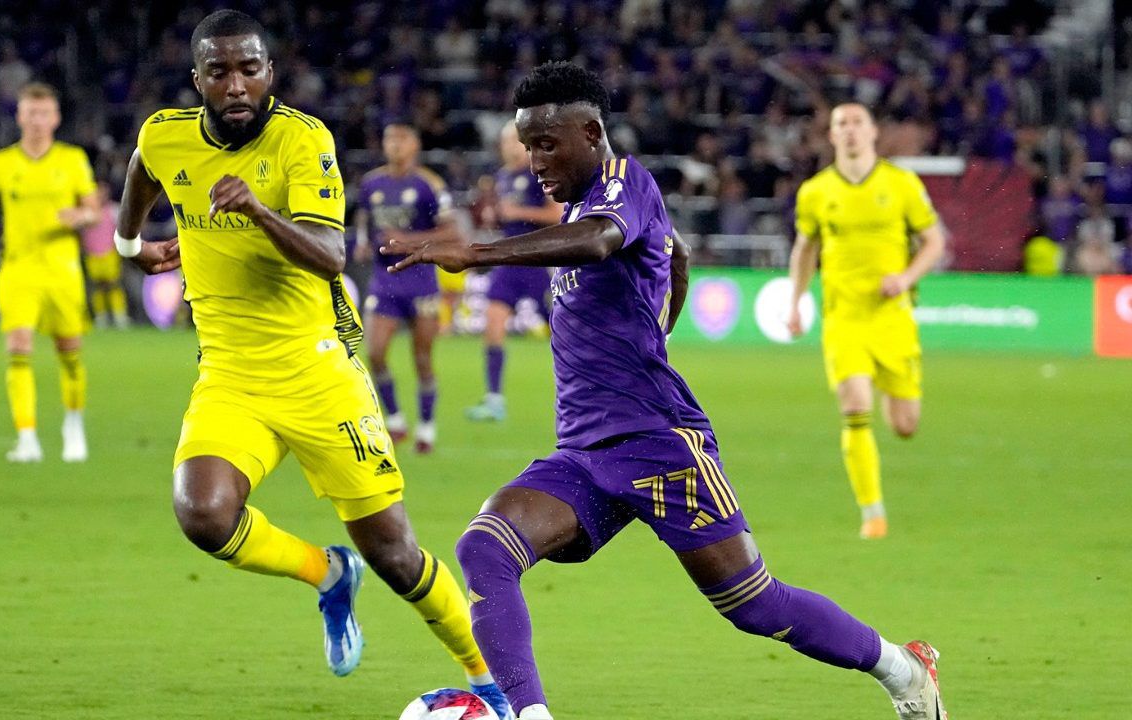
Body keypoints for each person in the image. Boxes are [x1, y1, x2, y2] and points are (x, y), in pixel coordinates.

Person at [385, 61, 947, 720]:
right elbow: (674, 255)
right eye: (526, 144)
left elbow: (602, 242)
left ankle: (906, 672)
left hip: (657, 445)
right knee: (484, 546)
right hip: (584, 453)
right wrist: (656, 328)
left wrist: (477, 255)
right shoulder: (578, 203)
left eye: (546, 144)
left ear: (591, 133)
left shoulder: (625, 184)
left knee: (754, 605)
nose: (533, 159)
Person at [111, 11, 510, 717]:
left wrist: (259, 210)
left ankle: (489, 682)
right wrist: (127, 241)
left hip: (318, 371)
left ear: (271, 72)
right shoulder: (164, 133)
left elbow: (332, 255)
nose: (236, 85)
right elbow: (145, 166)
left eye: (250, 69)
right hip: (230, 375)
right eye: (219, 71)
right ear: (196, 77)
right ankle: (327, 574)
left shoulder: (302, 139)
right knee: (201, 514)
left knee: (397, 555)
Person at [788, 102, 946, 539]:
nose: (851, 131)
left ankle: (878, 381)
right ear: (832, 136)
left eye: (858, 122)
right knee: (855, 407)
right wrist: (795, 302)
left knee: (905, 425)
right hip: (844, 319)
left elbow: (933, 242)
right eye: (842, 124)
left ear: (874, 132)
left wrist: (907, 276)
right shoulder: (816, 192)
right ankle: (872, 514)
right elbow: (805, 250)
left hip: (892, 319)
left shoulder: (901, 185)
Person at [0, 82, 101, 463]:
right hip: (17, 268)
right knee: (18, 348)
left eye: (44, 113)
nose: (37, 121)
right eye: (31, 113)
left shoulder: (73, 159)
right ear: (19, 116)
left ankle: (73, 422)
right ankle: (27, 437)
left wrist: (80, 216)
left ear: (56, 118)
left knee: (69, 351)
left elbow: (94, 209)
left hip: (62, 270)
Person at [355, 123, 462, 453]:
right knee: (374, 353)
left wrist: (408, 242)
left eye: (401, 138)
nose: (394, 145)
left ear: (415, 144)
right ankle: (397, 420)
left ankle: (426, 428)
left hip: (421, 282)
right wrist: (361, 241)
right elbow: (363, 217)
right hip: (384, 279)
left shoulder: (429, 184)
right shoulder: (371, 182)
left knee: (422, 358)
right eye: (389, 138)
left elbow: (452, 232)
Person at [466, 120, 563, 422]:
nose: (510, 147)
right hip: (508, 262)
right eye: (506, 141)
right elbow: (505, 219)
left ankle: (597, 390)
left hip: (536, 261)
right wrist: (493, 216)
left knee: (563, 331)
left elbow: (557, 215)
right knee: (493, 326)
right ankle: (494, 400)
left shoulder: (540, 173)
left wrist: (516, 212)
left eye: (515, 141)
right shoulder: (501, 177)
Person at [81, 181, 129, 328]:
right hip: (92, 255)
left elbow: (122, 229)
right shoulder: (85, 212)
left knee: (114, 285)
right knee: (97, 287)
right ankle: (101, 317)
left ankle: (119, 315)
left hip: (109, 254)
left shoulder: (113, 210)